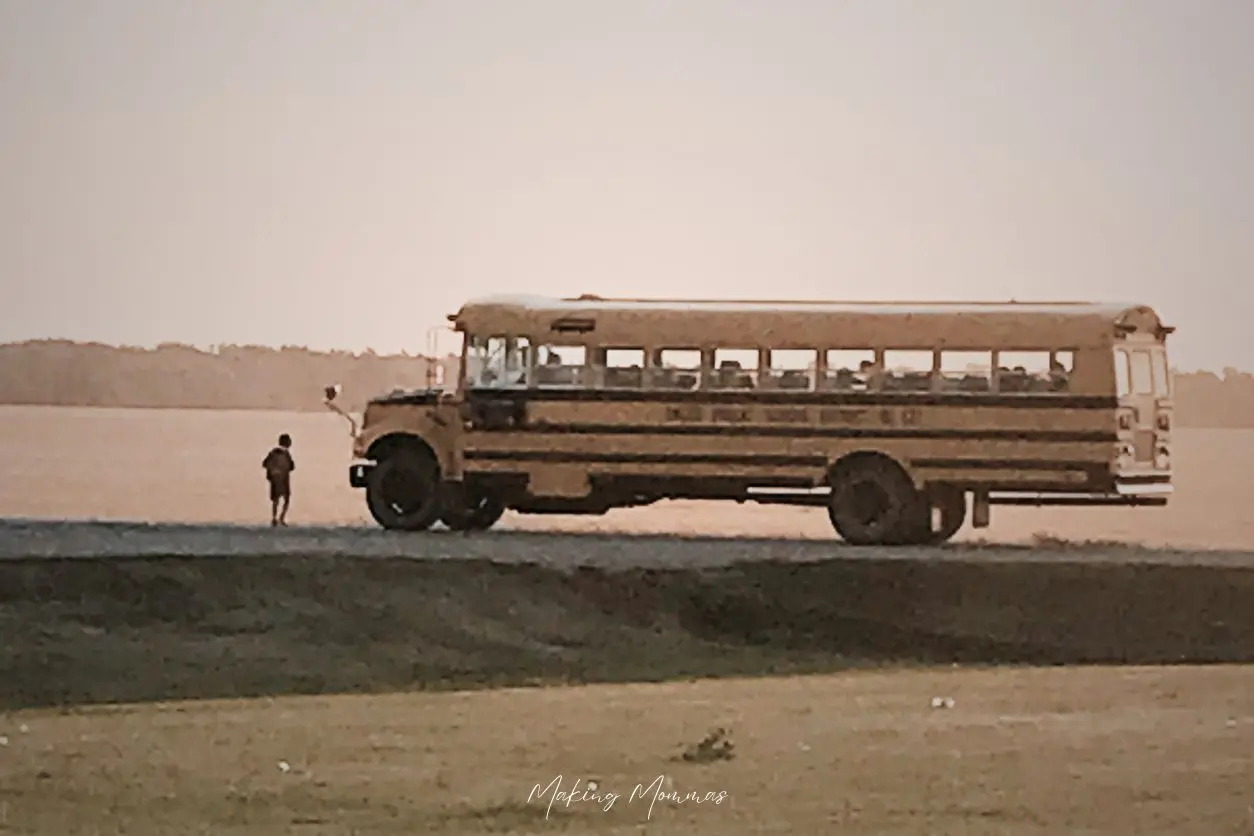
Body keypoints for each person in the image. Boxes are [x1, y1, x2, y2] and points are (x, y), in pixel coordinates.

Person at [262, 433, 295, 526]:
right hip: (281, 478)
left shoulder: (276, 453)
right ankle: (279, 518)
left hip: (278, 478)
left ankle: (276, 518)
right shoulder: (282, 453)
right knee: (284, 499)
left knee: (277, 499)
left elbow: (265, 464)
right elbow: (292, 466)